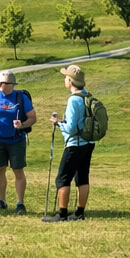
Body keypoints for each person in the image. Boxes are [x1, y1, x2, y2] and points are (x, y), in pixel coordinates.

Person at [0, 69, 36, 213]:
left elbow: (32, 117)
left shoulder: (21, 98)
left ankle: (20, 203)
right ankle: (1, 201)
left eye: (4, 83)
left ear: (11, 84)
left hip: (16, 140)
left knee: (18, 171)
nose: (0, 85)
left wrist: (22, 125)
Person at [49, 63, 94, 221]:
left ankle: (62, 214)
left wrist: (58, 123)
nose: (65, 80)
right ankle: (79, 213)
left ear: (70, 81)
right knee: (82, 177)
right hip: (88, 143)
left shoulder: (73, 100)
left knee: (62, 178)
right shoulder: (87, 96)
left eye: (66, 78)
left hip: (75, 144)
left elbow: (72, 127)